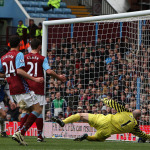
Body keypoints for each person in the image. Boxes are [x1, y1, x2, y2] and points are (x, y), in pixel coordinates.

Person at [18, 38, 66, 142]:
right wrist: (59, 77)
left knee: (26, 110)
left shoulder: (24, 57)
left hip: (26, 87)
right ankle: (24, 132)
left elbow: (19, 71)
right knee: (38, 111)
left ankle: (27, 132)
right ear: (39, 46)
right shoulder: (42, 58)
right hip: (37, 87)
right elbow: (48, 71)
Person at [0, 35, 44, 146]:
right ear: (20, 44)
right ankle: (21, 132)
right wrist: (35, 79)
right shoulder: (19, 54)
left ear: (9, 44)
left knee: (27, 110)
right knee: (38, 109)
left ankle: (19, 132)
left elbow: (1, 73)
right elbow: (19, 71)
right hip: (22, 87)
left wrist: (9, 74)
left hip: (12, 89)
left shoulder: (3, 57)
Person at [52, 98, 150, 142]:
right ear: (138, 118)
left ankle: (63, 122)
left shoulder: (125, 111)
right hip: (107, 130)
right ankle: (87, 137)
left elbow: (113, 104)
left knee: (81, 115)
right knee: (98, 139)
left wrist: (104, 100)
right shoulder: (135, 127)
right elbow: (143, 135)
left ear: (132, 111)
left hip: (103, 119)